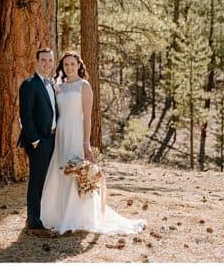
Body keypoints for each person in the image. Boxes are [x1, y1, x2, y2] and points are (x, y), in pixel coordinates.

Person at [39, 51, 144, 235]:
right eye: (66, 65)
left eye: (72, 64)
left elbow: (87, 117)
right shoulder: (59, 87)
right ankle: (60, 213)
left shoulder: (84, 86)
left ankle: (77, 216)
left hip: (76, 132)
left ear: (79, 66)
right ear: (62, 67)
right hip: (61, 133)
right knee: (62, 169)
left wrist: (86, 143)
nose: (69, 67)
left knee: (77, 171)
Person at [18, 47, 58, 237]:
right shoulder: (30, 84)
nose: (47, 64)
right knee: (37, 181)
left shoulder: (50, 84)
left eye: (50, 61)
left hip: (52, 139)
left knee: (48, 180)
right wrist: (34, 140)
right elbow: (25, 115)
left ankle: (44, 216)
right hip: (39, 142)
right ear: (36, 61)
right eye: (43, 60)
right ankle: (33, 221)